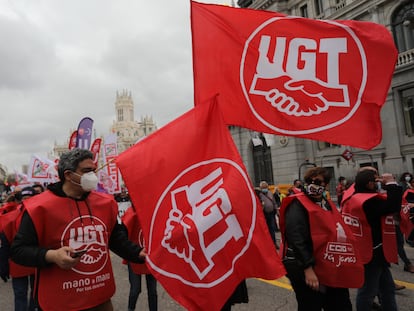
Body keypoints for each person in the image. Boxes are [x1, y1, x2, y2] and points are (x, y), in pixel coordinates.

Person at [10, 148, 146, 311]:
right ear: (68, 175)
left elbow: (116, 238)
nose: (93, 176)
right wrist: (52, 256)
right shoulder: (39, 208)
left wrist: (138, 253)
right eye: (87, 171)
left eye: (94, 170)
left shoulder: (106, 203)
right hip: (60, 301)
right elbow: (18, 251)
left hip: (100, 296)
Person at [279, 167, 363, 311]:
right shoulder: (297, 203)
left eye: (318, 181)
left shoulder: (327, 203)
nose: (313, 184)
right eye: (309, 181)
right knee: (311, 304)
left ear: (325, 184)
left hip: (327, 262)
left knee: (341, 303)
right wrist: (308, 269)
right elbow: (296, 237)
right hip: (303, 265)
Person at [341, 169, 402, 311]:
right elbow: (393, 206)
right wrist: (391, 183)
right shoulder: (367, 201)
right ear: (369, 184)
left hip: (374, 251)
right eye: (376, 180)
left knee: (387, 289)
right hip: (372, 253)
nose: (378, 183)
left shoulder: (354, 196)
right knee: (368, 292)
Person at [0, 186, 37, 311]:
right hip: (18, 264)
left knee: (35, 294)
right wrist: (3, 265)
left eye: (30, 198)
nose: (27, 201)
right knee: (20, 294)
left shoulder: (41, 216)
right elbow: (5, 244)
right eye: (24, 199)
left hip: (37, 262)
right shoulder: (11, 217)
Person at [121, 204, 158, 311]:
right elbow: (122, 233)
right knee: (136, 289)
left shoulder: (153, 213)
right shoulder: (131, 212)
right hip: (134, 256)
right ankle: (130, 309)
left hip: (150, 256)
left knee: (152, 291)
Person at [258, 181, 279, 248]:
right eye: (263, 187)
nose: (265, 188)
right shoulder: (259, 194)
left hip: (271, 213)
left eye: (266, 187)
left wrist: (277, 210)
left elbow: (274, 202)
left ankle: (274, 243)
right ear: (260, 188)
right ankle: (267, 245)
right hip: (264, 214)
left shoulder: (270, 193)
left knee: (272, 228)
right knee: (265, 230)